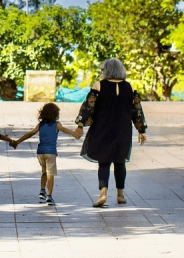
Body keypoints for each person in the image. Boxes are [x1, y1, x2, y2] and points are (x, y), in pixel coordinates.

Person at [75, 58, 147, 207]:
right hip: (123, 129)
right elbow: (137, 109)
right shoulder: (129, 86)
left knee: (104, 161)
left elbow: (88, 106)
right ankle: (120, 194)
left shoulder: (99, 85)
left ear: (107, 70)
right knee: (120, 161)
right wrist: (141, 130)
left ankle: (103, 193)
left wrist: (81, 124)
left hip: (103, 128)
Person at [11, 102, 81, 205]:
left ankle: (42, 190)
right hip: (51, 153)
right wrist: (74, 133)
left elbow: (30, 133)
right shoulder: (57, 124)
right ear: (55, 114)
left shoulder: (41, 124)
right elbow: (64, 129)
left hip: (40, 152)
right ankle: (49, 196)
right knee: (50, 174)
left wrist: (17, 141)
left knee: (44, 172)